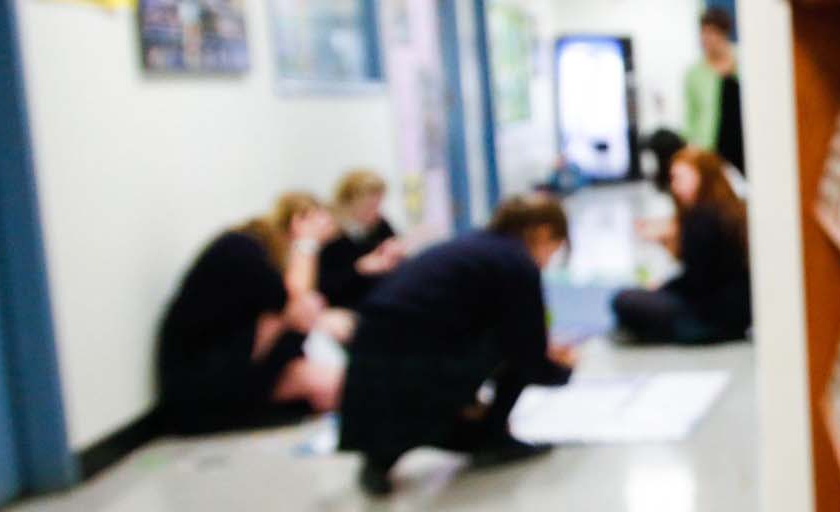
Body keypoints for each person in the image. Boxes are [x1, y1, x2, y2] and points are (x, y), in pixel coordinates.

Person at [339, 193, 580, 496]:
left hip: (370, 352)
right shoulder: (517, 262)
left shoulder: (473, 246)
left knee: (416, 421)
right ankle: (492, 437)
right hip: (421, 362)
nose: (549, 259)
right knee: (515, 349)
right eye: (554, 248)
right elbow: (526, 353)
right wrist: (561, 369)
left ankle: (382, 456)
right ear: (544, 232)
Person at [155, 192, 344, 435]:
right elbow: (297, 307)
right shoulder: (241, 251)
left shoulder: (247, 252)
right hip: (201, 394)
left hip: (223, 375)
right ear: (296, 223)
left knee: (333, 380)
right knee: (333, 381)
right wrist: (306, 244)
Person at [613, 149, 751, 343]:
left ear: (701, 177)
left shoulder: (703, 217)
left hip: (711, 315)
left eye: (679, 178)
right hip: (736, 311)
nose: (674, 185)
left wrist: (663, 288)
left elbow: (697, 282)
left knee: (624, 300)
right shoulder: (730, 209)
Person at [318, 170, 405, 309]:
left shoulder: (380, 224)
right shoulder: (330, 235)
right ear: (348, 203)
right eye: (369, 207)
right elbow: (326, 286)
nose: (375, 212)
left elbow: (394, 249)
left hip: (383, 297)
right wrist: (359, 269)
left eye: (378, 205)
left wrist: (396, 253)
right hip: (349, 305)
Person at [684, 8, 744, 172]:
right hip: (713, 142)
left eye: (711, 32)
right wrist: (691, 146)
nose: (706, 38)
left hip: (743, 138)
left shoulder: (743, 61)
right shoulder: (694, 73)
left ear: (724, 33)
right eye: (703, 32)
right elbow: (690, 115)